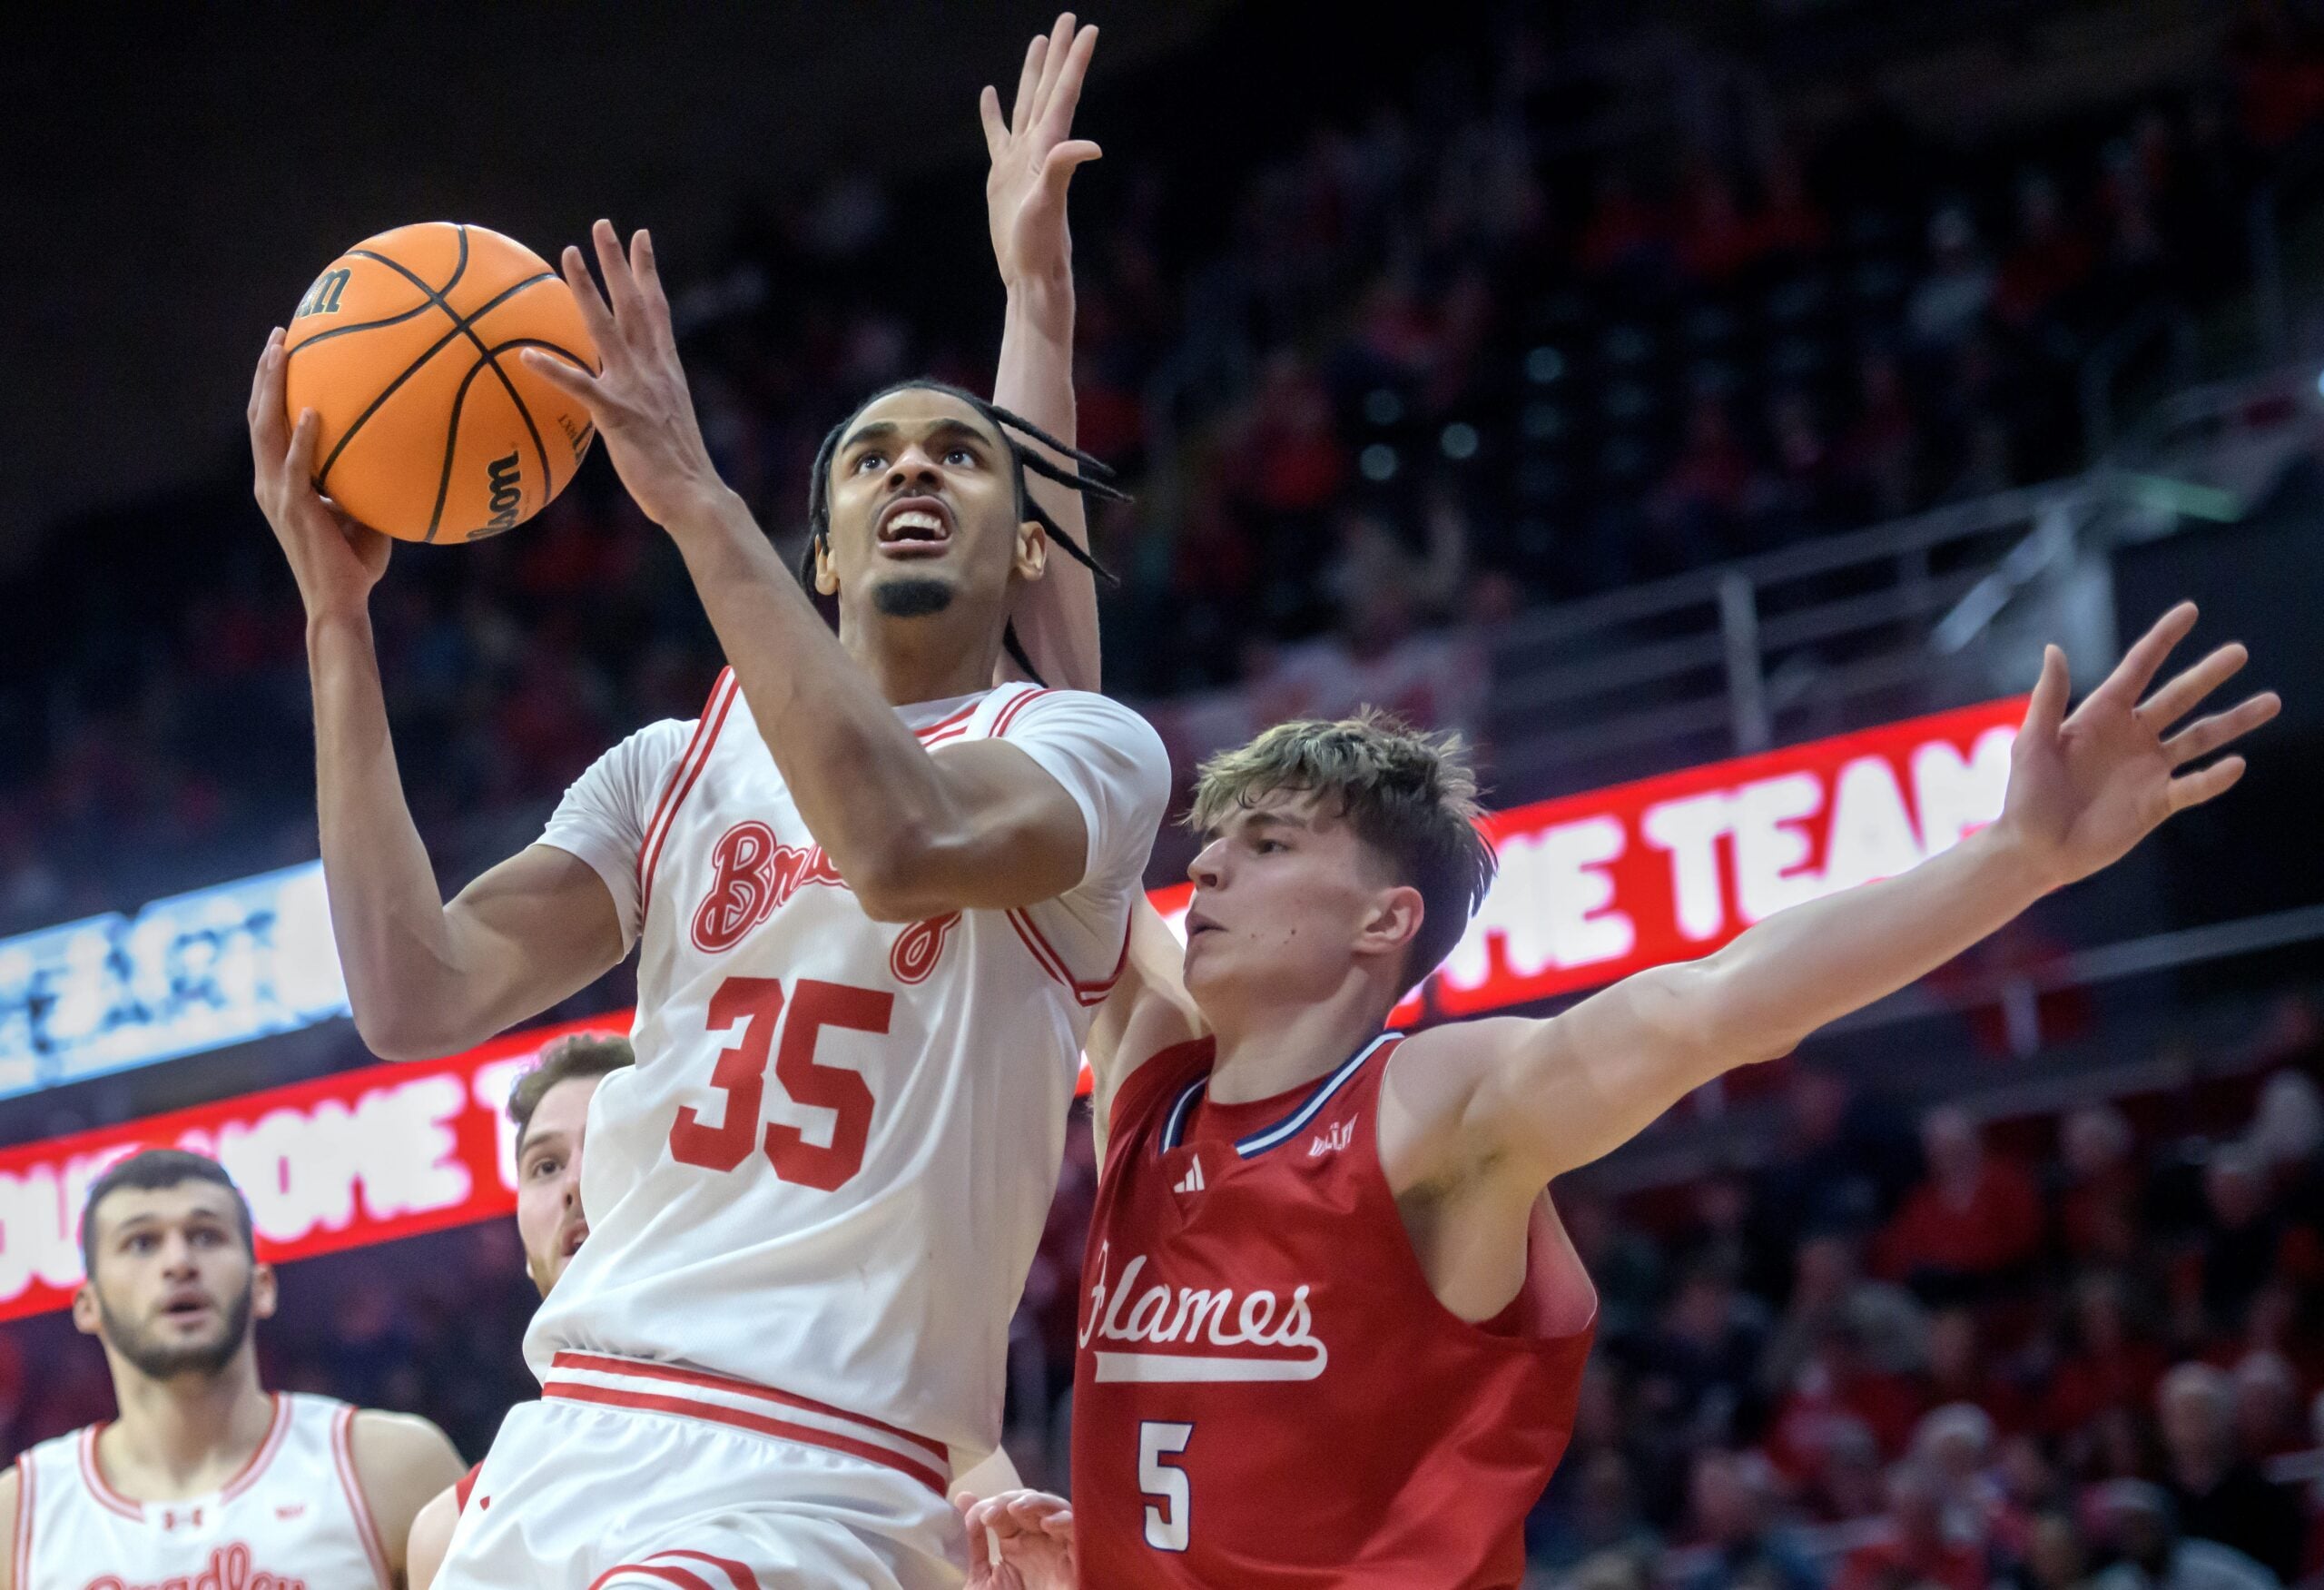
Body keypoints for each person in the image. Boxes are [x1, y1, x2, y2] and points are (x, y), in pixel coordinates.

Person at [248, 18, 1161, 1589]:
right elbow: (414, 995)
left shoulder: (1080, 753)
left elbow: (898, 846)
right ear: (823, 554)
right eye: (871, 458)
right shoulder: (670, 764)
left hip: (830, 1462)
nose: (912, 471)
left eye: (959, 452)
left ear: (1027, 541)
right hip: (576, 1426)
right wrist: (340, 629)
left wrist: (704, 489)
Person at [981, 601, 2278, 1584]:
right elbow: (1068, 755)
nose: (1207, 864)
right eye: (1216, 838)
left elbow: (1712, 1002)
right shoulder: (1150, 1074)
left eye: (1266, 843)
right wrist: (1038, 310)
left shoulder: (1432, 1103)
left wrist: (2009, 862)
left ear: (1387, 917)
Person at [0, 1150, 465, 1590]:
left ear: (262, 1286)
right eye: (141, 1243)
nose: (179, 1263)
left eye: (206, 1236)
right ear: (88, 1306)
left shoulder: (391, 1465)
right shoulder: (18, 1516)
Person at [405, 1032, 635, 1590]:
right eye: (546, 1165)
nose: (576, 1183)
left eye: (612, 1145)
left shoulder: (832, 1400)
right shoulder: (449, 1535)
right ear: (528, 1259)